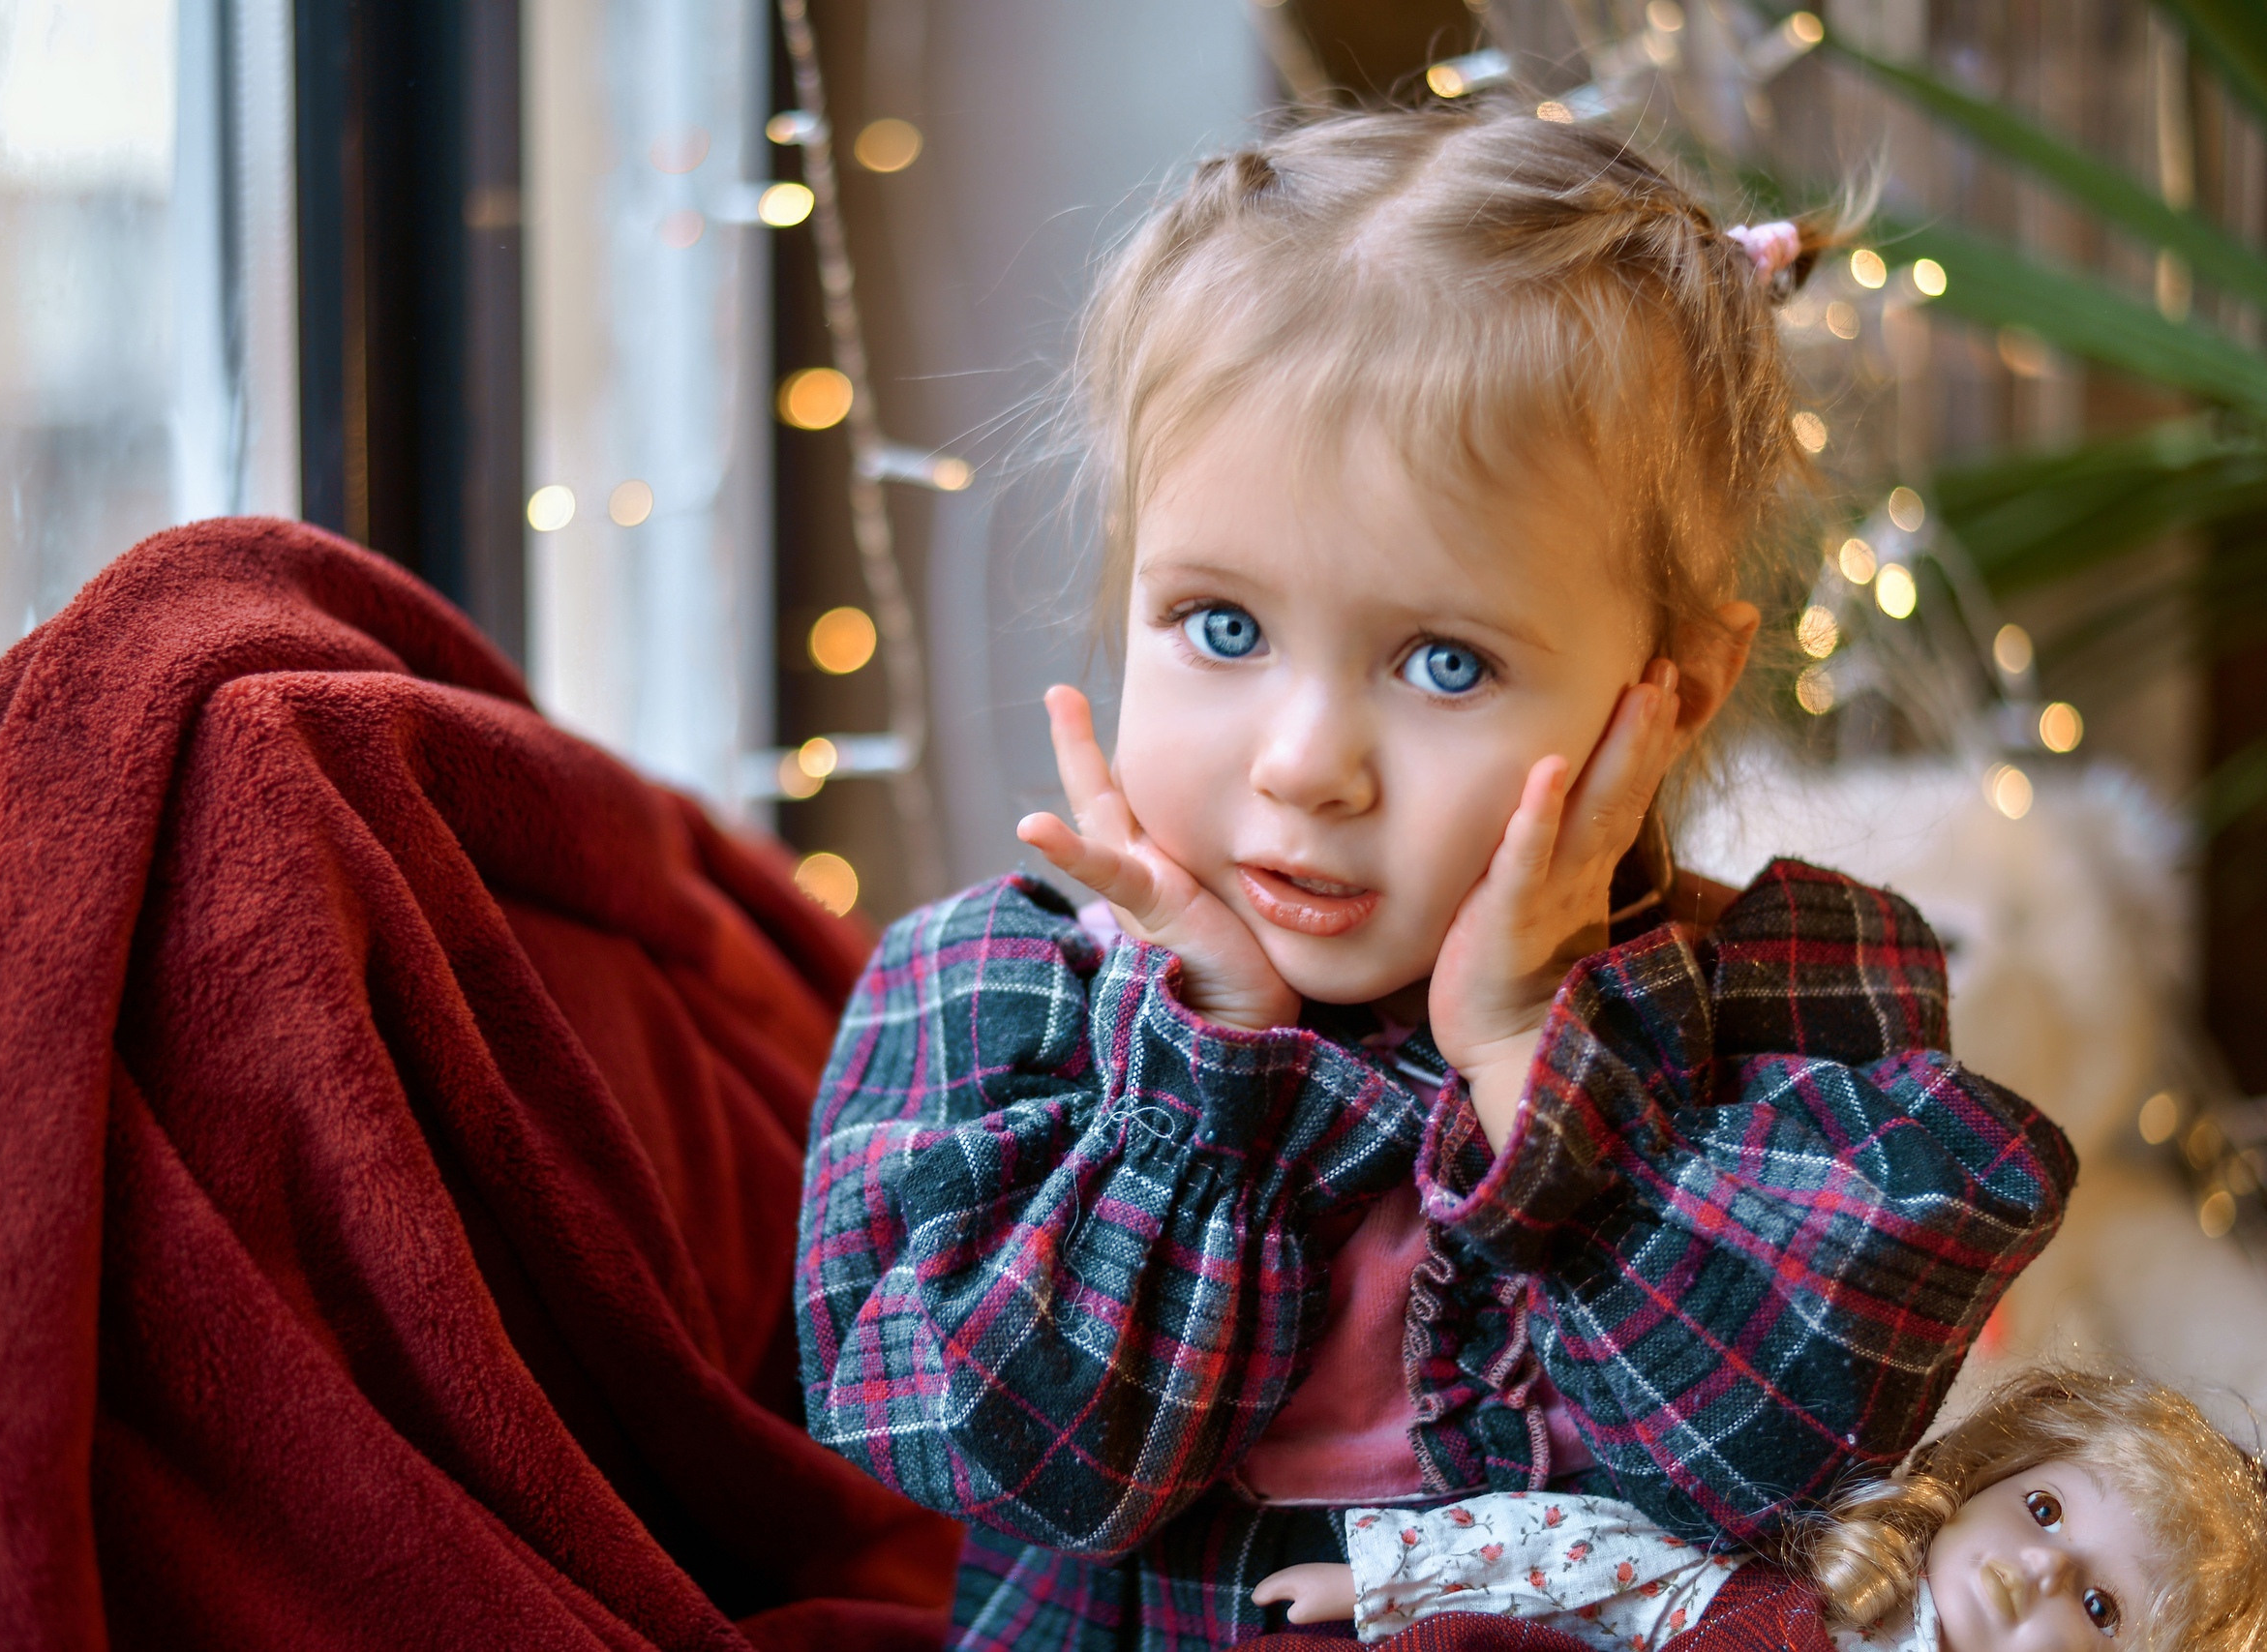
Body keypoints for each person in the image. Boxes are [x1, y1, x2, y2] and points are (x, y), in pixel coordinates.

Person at [794, 101, 2079, 1651]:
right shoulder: (1002, 995)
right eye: (1219, 624)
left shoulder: (1793, 1012)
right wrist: (1204, 1066)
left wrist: (1533, 1055)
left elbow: (1784, 1478)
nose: (1305, 761)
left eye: (1446, 659)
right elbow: (1001, 1456)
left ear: (1670, 690)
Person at [1250, 1368, 2267, 1652]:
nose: (2043, 1568)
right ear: (1985, 1477)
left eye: (2098, 1608)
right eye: (2044, 1509)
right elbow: (1602, 1567)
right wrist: (1385, 1578)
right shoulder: (1817, 1593)